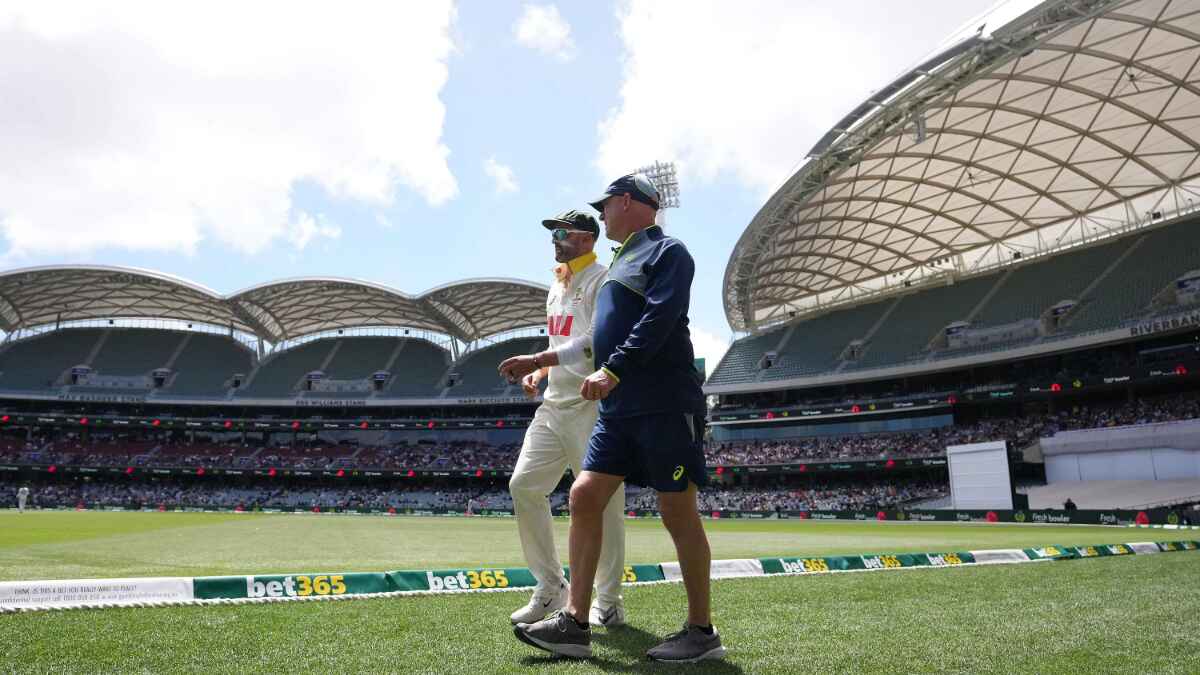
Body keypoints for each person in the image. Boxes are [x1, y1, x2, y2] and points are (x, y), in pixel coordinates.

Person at [513, 175, 725, 662]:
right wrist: (546, 364)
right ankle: (574, 622)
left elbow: (661, 317)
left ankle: (701, 631)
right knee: (584, 496)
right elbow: (597, 336)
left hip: (663, 402)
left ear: (627, 201)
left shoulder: (668, 252)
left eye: (606, 206)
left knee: (677, 512)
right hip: (618, 407)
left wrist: (613, 369)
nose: (603, 213)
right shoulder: (614, 266)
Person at [498, 209, 627, 628]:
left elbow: (595, 343)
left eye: (563, 232)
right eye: (553, 232)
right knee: (524, 486)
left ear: (587, 238)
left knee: (602, 507)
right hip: (554, 405)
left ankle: (607, 601)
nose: (555, 239)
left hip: (593, 406)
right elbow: (563, 343)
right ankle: (551, 587)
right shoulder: (557, 282)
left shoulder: (603, 279)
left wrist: (537, 358)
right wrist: (543, 371)